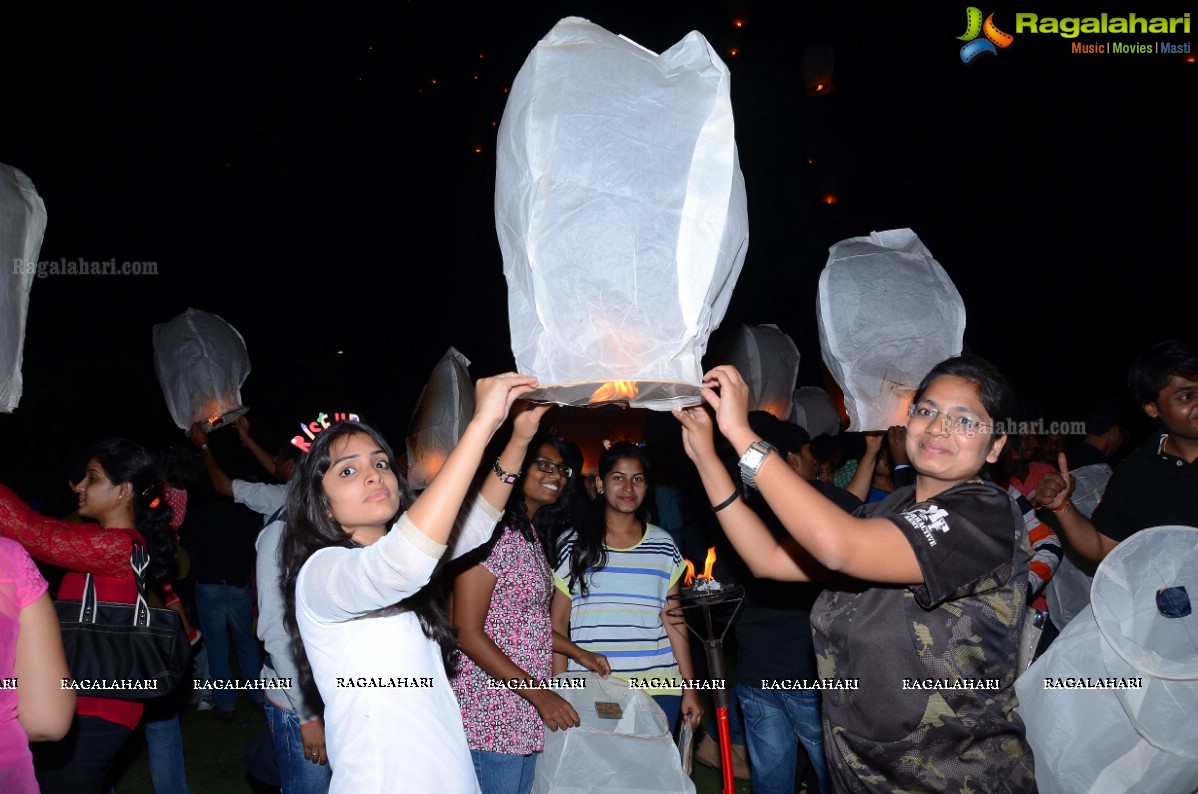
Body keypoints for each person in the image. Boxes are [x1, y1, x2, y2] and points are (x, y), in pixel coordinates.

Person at [675, 356, 1035, 793]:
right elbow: (766, 558)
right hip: (860, 772)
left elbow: (840, 547)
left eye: (964, 420)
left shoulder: (986, 515)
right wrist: (707, 457)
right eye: (927, 410)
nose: (939, 426)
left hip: (954, 776)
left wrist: (742, 433)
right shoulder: (883, 512)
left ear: (995, 446)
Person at [279, 373, 538, 792]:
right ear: (323, 505)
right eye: (348, 471)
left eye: (381, 463)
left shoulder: (399, 560)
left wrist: (519, 439)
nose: (373, 475)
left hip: (446, 772)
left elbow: (475, 526)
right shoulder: (321, 573)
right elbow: (402, 563)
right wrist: (480, 426)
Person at [0, 439, 179, 794]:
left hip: (98, 707)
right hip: (87, 703)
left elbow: (30, 532)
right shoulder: (110, 545)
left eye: (92, 478)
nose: (79, 486)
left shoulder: (118, 546)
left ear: (123, 491)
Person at [451, 430, 611, 794]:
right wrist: (540, 694)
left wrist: (578, 653)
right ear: (515, 468)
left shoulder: (528, 534)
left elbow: (523, 623)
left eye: (562, 469)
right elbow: (465, 630)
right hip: (490, 709)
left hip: (522, 708)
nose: (556, 475)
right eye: (543, 465)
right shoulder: (487, 533)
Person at [551, 441, 703, 736]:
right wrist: (560, 688)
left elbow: (673, 618)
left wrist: (690, 688)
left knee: (651, 777)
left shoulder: (663, 544)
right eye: (618, 477)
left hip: (659, 685)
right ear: (599, 483)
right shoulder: (574, 544)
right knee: (604, 775)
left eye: (638, 479)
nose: (628, 488)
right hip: (597, 684)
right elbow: (556, 623)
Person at [1036, 339, 1198, 561]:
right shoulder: (1136, 473)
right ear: (1152, 408)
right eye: (1187, 397)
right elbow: (1103, 548)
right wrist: (1062, 506)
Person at [0, 537, 75, 793]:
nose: (80, 492)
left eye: (88, 491)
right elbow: (47, 719)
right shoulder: (6, 557)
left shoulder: (116, 545)